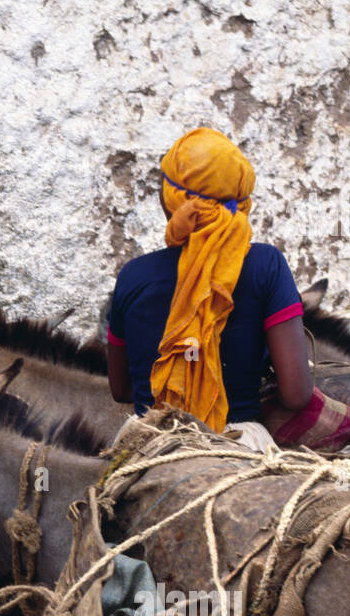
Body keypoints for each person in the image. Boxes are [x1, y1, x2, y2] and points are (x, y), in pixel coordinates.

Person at [106, 127, 312, 447]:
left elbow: (121, 390)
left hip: (149, 445)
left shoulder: (133, 276)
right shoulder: (266, 265)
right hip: (240, 443)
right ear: (242, 202)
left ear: (171, 199)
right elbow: (297, 394)